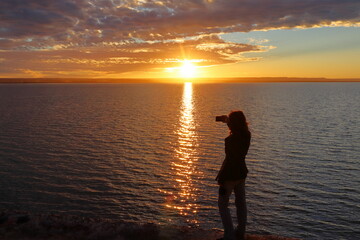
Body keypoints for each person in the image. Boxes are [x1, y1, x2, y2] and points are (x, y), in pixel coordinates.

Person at [216, 110, 251, 240]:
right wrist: (228, 122)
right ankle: (240, 232)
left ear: (232, 124)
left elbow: (230, 160)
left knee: (222, 204)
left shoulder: (229, 140)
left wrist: (221, 179)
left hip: (229, 175)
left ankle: (229, 235)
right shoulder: (247, 135)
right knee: (241, 203)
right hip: (241, 173)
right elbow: (238, 130)